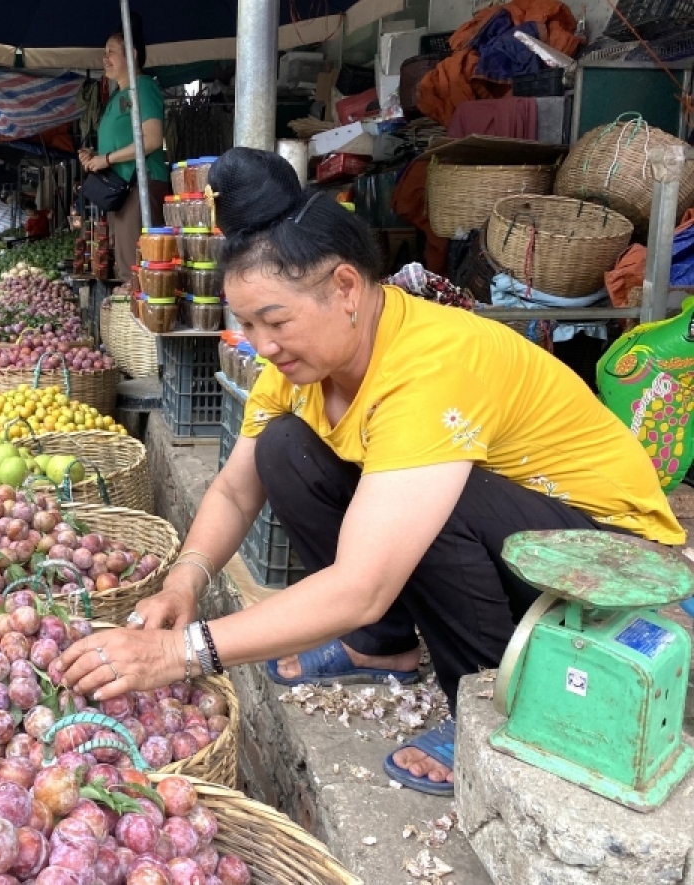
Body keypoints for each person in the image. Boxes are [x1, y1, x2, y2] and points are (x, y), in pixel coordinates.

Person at [55, 147, 683, 798]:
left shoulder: (430, 366)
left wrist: (182, 650)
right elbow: (237, 488)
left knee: (437, 495)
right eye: (246, 325)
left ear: (347, 289)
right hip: (522, 542)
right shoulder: (295, 370)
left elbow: (363, 582)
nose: (263, 346)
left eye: (276, 320)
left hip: (612, 565)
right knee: (283, 449)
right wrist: (185, 579)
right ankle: (380, 647)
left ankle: (493, 699)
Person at [78, 14, 170, 282]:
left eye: (111, 52)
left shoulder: (143, 87)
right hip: (121, 190)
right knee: (127, 263)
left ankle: (138, 321)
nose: (104, 58)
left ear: (131, 53)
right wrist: (95, 157)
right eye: (104, 53)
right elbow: (124, 143)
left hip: (140, 186)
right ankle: (130, 319)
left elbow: (152, 140)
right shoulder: (117, 96)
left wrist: (106, 159)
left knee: (137, 267)